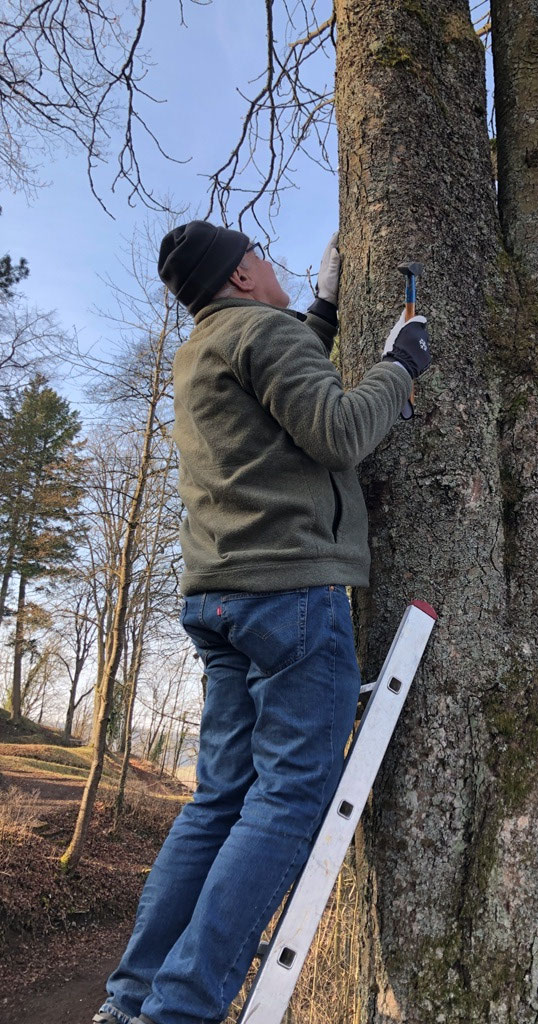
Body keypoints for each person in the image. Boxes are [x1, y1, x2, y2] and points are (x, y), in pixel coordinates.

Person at [92, 220, 431, 1024]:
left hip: (221, 598)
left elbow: (279, 388)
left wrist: (325, 310)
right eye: (261, 258)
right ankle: (180, 1010)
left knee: (219, 802)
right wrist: (400, 366)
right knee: (289, 797)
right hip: (289, 595)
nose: (273, 266)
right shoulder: (260, 334)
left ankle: (131, 1000)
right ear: (241, 277)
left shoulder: (203, 350)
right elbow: (338, 431)